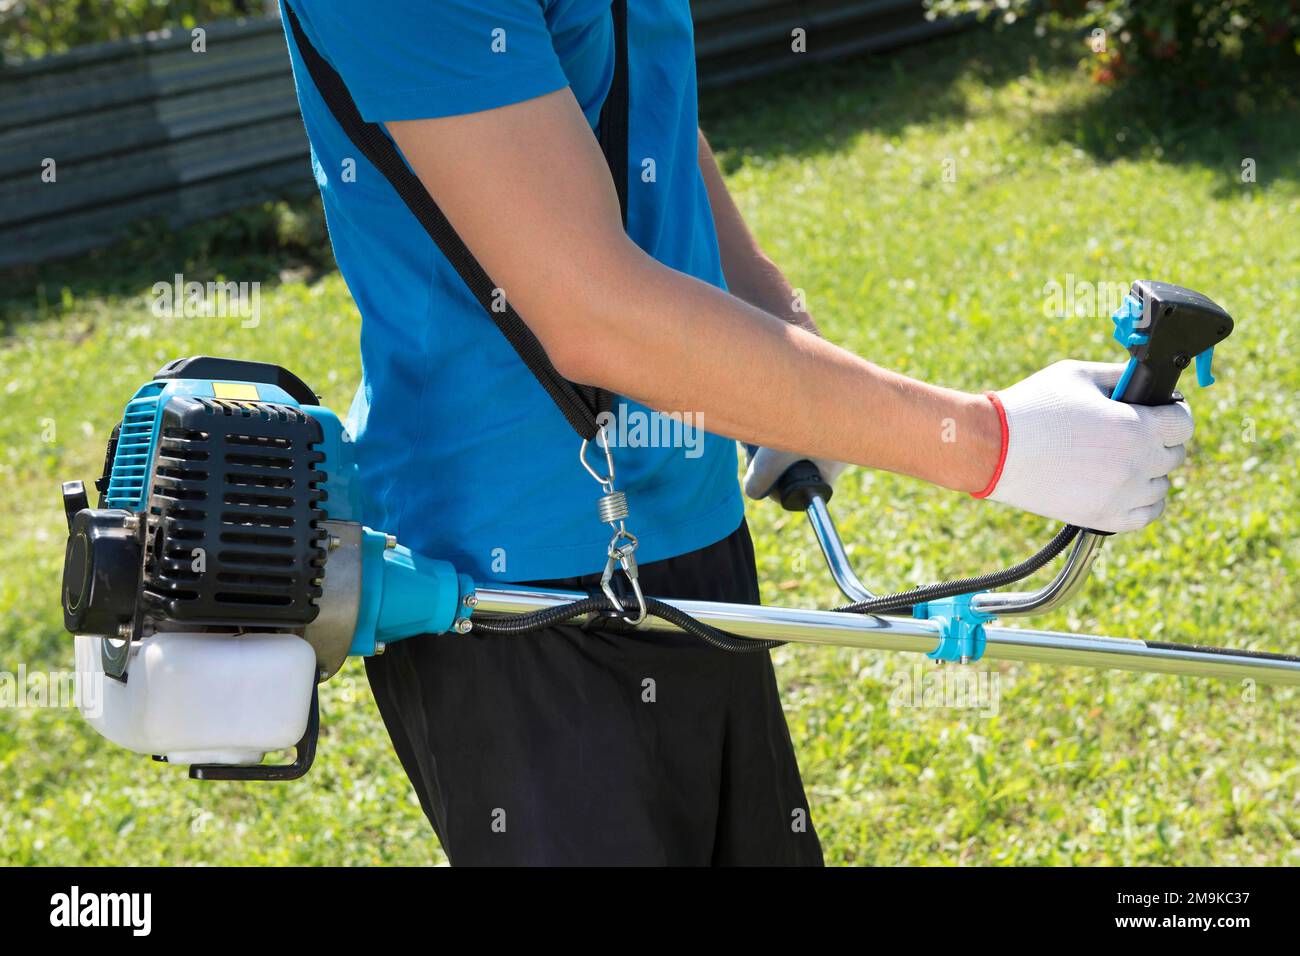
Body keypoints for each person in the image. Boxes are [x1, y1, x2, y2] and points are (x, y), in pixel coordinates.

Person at [279, 0, 1193, 865]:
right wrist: (994, 442)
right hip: (505, 590)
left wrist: (770, 321)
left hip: (690, 531)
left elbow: (629, 103)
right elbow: (590, 309)